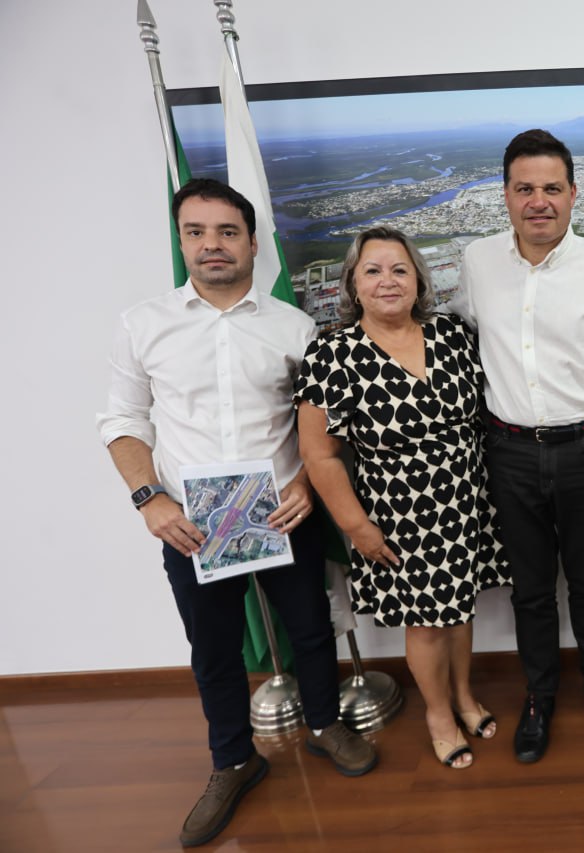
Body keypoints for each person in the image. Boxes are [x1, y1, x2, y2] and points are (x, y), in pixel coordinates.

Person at [97, 178, 376, 848]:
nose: (212, 245)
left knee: (311, 628)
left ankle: (323, 723)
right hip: (191, 521)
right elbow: (122, 419)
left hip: (284, 508)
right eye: (196, 231)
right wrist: (149, 497)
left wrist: (310, 482)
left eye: (227, 232)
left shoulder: (294, 326)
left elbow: (321, 423)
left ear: (252, 243)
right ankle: (232, 760)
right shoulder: (145, 324)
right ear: (182, 239)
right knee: (213, 647)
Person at [451, 129, 584, 763]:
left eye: (552, 189)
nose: (539, 201)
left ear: (573, 195)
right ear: (505, 195)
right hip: (506, 453)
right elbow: (459, 338)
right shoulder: (477, 262)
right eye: (525, 188)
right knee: (530, 588)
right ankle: (539, 696)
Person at [294, 226, 510, 770]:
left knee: (460, 612)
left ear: (419, 279)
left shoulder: (452, 334)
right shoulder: (332, 353)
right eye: (373, 270)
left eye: (399, 269)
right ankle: (439, 715)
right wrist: (357, 527)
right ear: (353, 283)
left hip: (467, 499)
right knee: (428, 621)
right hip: (397, 513)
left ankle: (463, 695)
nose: (387, 281)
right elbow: (320, 457)